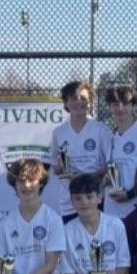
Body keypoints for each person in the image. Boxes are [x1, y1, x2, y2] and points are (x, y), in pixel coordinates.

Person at [50, 81, 111, 223]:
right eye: (73, 98)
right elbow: (55, 165)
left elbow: (111, 165)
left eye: (83, 98)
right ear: (66, 103)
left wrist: (88, 176)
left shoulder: (102, 130)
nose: (79, 103)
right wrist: (59, 168)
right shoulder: (59, 132)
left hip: (95, 199)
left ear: (90, 102)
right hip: (68, 201)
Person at [101, 84, 137, 218]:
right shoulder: (112, 137)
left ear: (133, 106)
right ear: (109, 107)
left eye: (125, 103)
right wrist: (106, 179)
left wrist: (130, 194)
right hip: (112, 211)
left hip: (136, 209)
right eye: (116, 104)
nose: (120, 108)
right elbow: (111, 170)